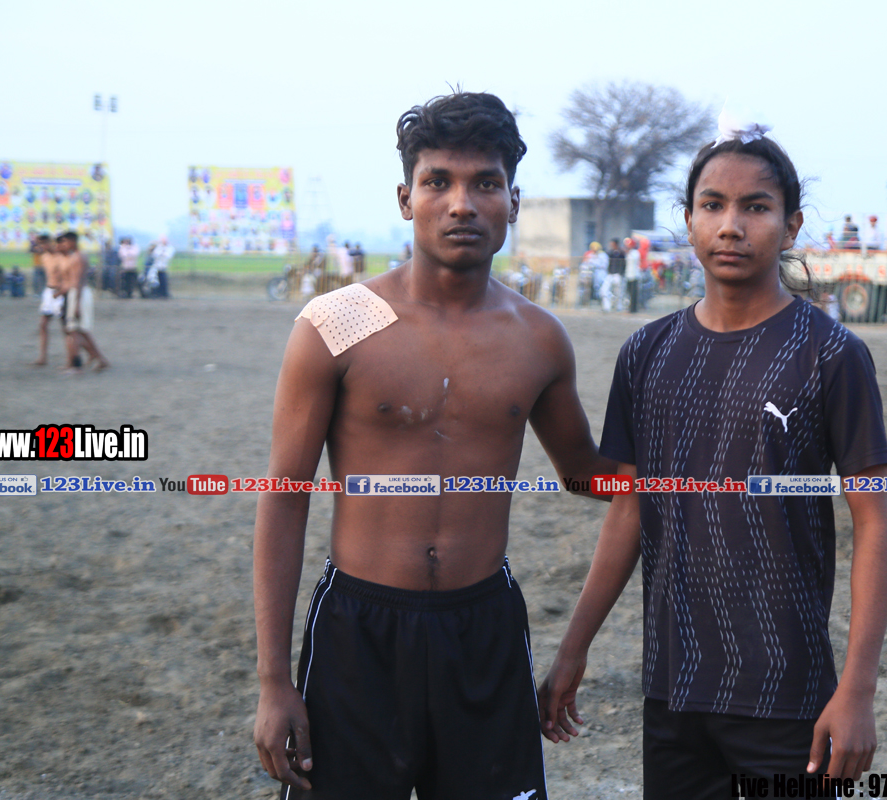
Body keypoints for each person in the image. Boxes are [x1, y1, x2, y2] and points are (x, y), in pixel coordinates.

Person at [252, 91, 615, 800]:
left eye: (486, 184)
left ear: (513, 201)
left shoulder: (537, 337)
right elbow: (284, 499)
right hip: (358, 630)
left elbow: (586, 474)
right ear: (405, 198)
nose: (461, 205)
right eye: (438, 182)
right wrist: (273, 681)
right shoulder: (337, 323)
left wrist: (694, 463)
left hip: (484, 629)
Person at [538, 124, 887, 789]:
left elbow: (875, 521)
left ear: (790, 226)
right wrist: (573, 647)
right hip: (673, 689)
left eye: (755, 207)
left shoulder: (830, 353)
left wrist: (857, 690)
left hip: (789, 692)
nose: (731, 225)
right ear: (688, 221)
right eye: (713, 205)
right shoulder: (645, 353)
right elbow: (628, 510)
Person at [56, 231, 111, 372]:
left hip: (78, 293)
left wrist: (77, 303)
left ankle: (76, 366)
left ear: (72, 241)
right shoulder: (75, 256)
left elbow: (79, 281)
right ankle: (100, 359)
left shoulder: (79, 257)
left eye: (66, 241)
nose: (64, 244)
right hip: (76, 293)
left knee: (74, 330)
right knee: (81, 330)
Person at [34, 234, 65, 366]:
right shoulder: (44, 257)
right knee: (43, 324)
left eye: (43, 244)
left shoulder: (61, 256)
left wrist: (62, 291)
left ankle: (73, 357)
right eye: (39, 244)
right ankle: (43, 357)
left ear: (49, 242)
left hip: (60, 292)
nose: (41, 247)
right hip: (49, 291)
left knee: (66, 327)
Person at [602, 238, 626, 312]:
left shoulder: (621, 253)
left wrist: (621, 273)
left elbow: (623, 264)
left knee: (618, 292)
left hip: (618, 274)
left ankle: (619, 306)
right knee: (604, 290)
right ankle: (607, 306)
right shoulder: (610, 253)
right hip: (610, 274)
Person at [624, 237, 641, 313]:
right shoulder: (628, 253)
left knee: (633, 293)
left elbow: (634, 260)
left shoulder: (635, 253)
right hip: (628, 275)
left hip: (634, 275)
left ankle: (633, 309)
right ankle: (629, 307)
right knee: (629, 292)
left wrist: (628, 252)